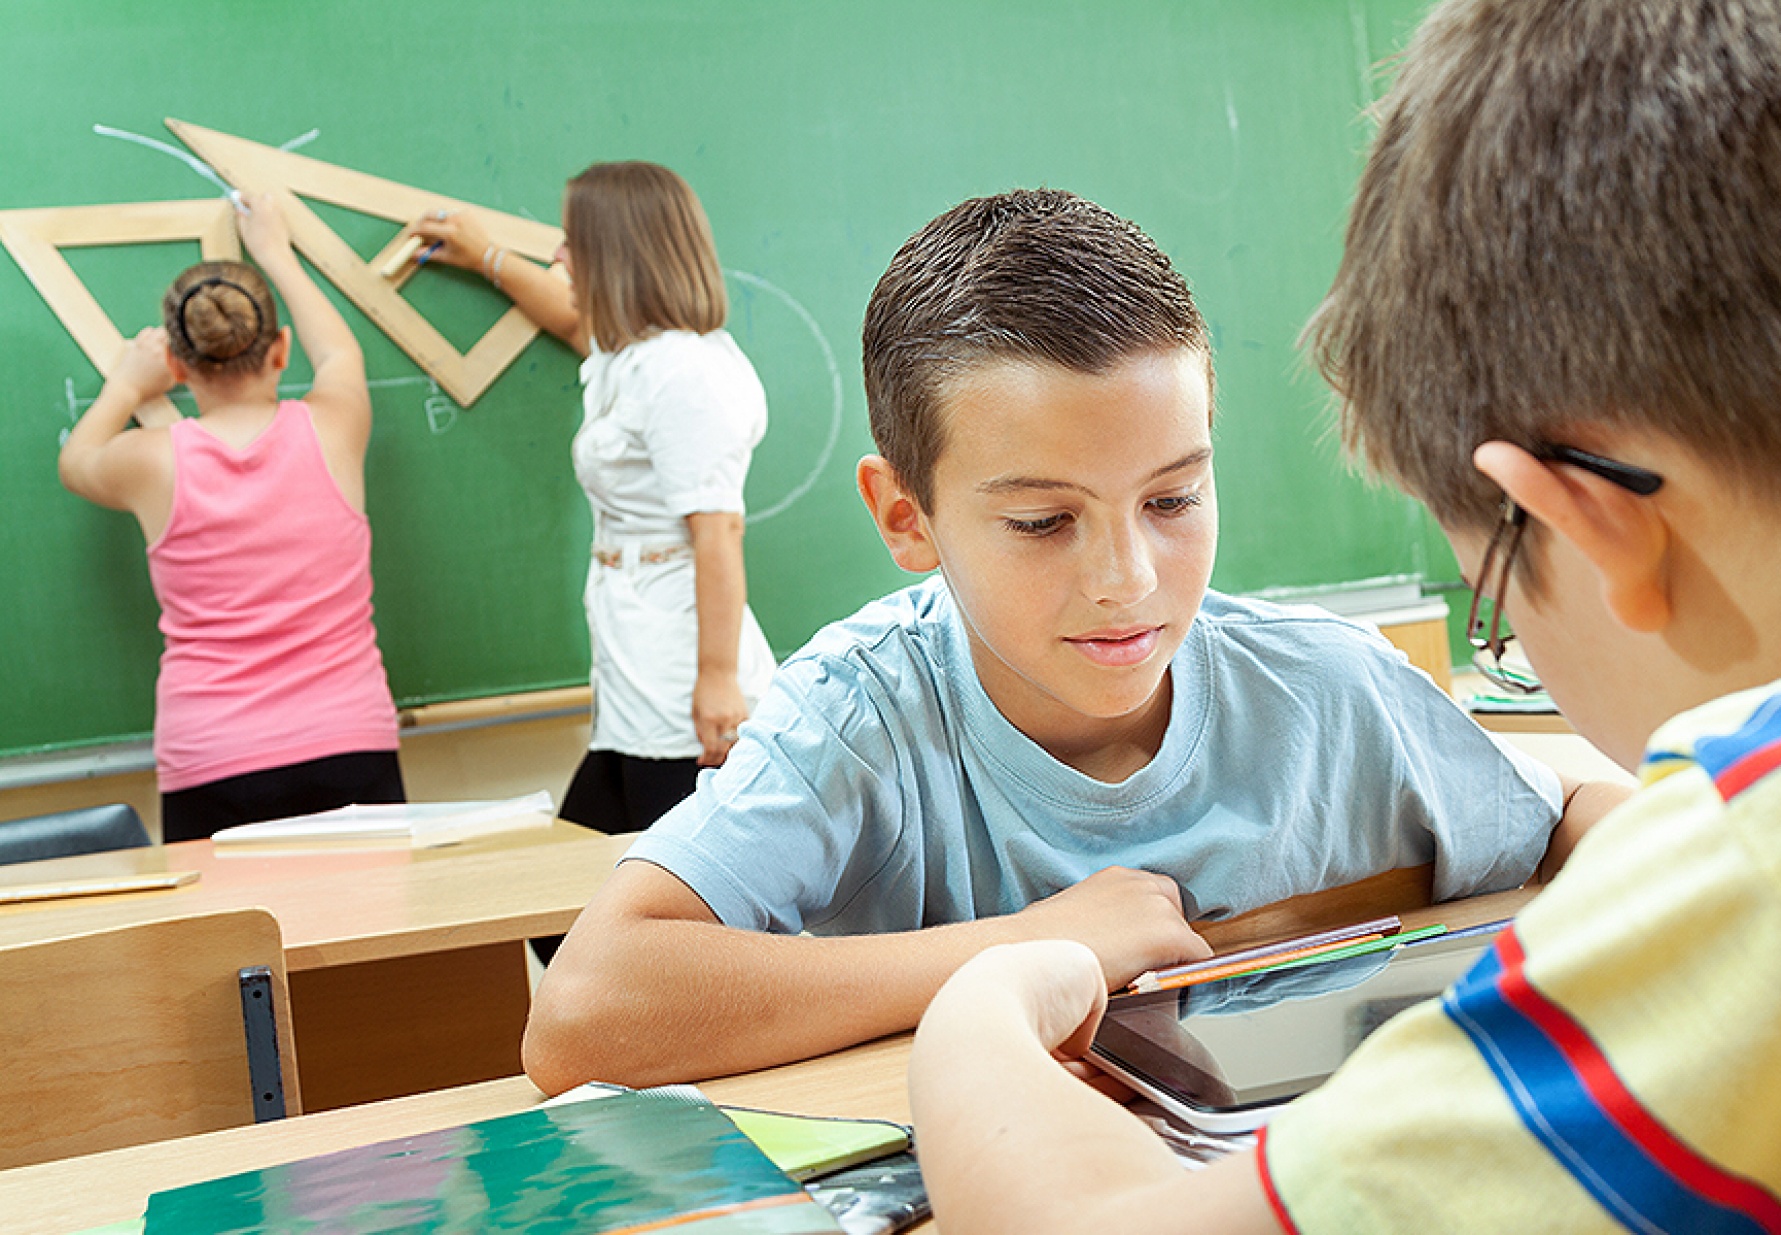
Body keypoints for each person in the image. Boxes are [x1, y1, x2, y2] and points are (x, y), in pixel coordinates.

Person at [907, 2, 1781, 1231]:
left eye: (1489, 595)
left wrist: (980, 1004)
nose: (1124, 577)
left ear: (1572, 519)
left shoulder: (1775, 860)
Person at [522, 187, 1625, 1092]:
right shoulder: (859, 714)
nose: (1127, 582)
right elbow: (583, 1009)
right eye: (1043, 521)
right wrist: (1030, 944)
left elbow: (1567, 819)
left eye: (1172, 499)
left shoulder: (1324, 682)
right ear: (907, 516)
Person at [408, 162, 775, 836]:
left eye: (570, 242)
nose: (555, 255)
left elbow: (719, 529)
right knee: (579, 891)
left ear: (615, 253)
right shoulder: (631, 355)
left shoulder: (683, 372)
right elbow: (576, 326)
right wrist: (487, 254)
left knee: (654, 902)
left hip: (677, 668)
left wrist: (717, 680)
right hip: (634, 658)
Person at [57, 194, 404, 842]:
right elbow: (339, 358)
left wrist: (128, 385)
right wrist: (275, 251)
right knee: (367, 940)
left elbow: (76, 462)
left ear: (179, 365)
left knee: (235, 946)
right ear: (279, 350)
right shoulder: (333, 427)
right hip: (347, 737)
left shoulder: (151, 460)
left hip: (211, 756)